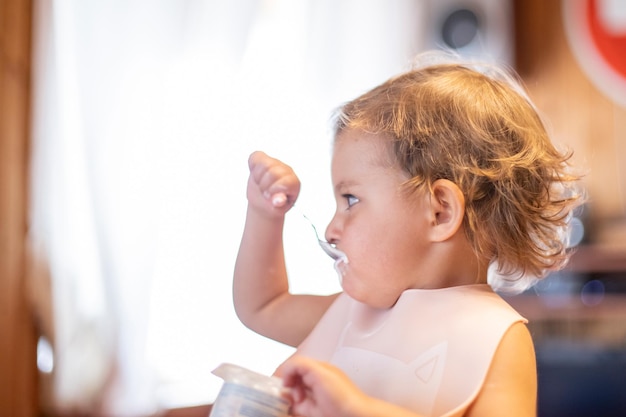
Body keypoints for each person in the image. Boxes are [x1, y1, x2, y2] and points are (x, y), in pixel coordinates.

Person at [233, 53, 583, 417]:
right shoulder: (353, 309)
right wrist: (264, 214)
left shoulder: (496, 339)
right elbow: (262, 307)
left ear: (439, 212)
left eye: (351, 199)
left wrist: (358, 411)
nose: (331, 230)